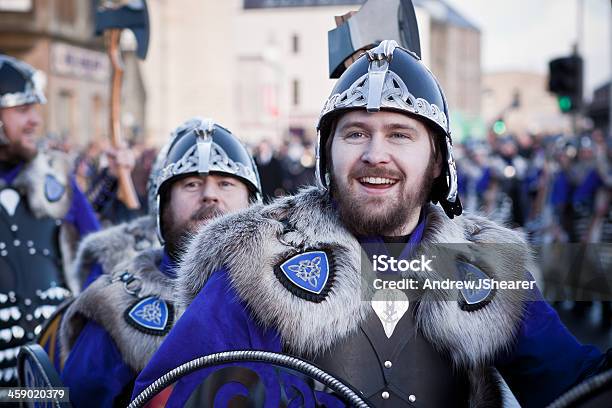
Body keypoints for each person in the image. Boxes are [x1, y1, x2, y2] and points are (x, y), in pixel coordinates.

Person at [134, 41, 610, 407]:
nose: (374, 154)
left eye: (400, 134)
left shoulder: (479, 264)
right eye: (355, 133)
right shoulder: (259, 258)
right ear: (328, 154)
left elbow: (573, 382)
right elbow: (165, 393)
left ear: (438, 161)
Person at [57, 117, 262, 407]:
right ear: (163, 210)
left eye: (226, 183)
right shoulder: (118, 304)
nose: (209, 195)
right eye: (191, 184)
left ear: (253, 203)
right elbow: (69, 399)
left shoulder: (287, 297)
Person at [0, 54, 100, 386]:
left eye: (35, 110)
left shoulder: (56, 180)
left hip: (53, 374)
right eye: (22, 109)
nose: (35, 121)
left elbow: (96, 258)